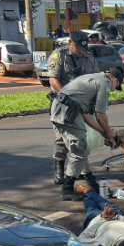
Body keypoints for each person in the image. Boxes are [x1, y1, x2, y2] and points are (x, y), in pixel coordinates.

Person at [49, 68, 124, 201]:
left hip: (60, 110)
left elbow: (86, 114)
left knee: (81, 148)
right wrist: (110, 132)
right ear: (114, 80)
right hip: (67, 113)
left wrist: (102, 131)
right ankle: (67, 190)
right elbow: (100, 114)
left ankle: (91, 182)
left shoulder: (93, 77)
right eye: (115, 87)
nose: (113, 90)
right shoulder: (104, 84)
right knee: (79, 150)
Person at [47, 30, 100, 185]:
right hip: (62, 105)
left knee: (81, 139)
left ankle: (82, 170)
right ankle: (59, 169)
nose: (81, 53)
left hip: (81, 106)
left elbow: (95, 79)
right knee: (61, 139)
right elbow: (53, 79)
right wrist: (67, 96)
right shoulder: (59, 55)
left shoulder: (89, 58)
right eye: (78, 49)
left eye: (84, 49)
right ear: (70, 43)